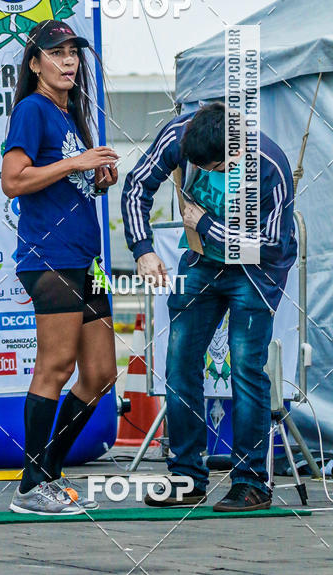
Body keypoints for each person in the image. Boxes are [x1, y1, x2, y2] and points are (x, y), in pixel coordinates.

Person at [121, 102, 297, 512]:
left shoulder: (270, 165)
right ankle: (186, 477)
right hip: (201, 262)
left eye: (216, 167)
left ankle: (251, 482)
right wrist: (143, 250)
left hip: (256, 271)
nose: (209, 174)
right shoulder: (178, 135)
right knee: (180, 361)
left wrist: (204, 225)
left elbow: (269, 244)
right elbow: (135, 186)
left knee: (246, 367)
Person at [1, 19, 119, 515]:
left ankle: (48, 470)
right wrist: (74, 164)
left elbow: (70, 186)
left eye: (73, 52)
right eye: (56, 53)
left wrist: (99, 177)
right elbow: (12, 181)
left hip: (85, 261)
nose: (68, 60)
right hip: (49, 260)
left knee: (101, 374)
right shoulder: (32, 109)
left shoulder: (70, 117)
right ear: (35, 64)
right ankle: (31, 487)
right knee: (56, 366)